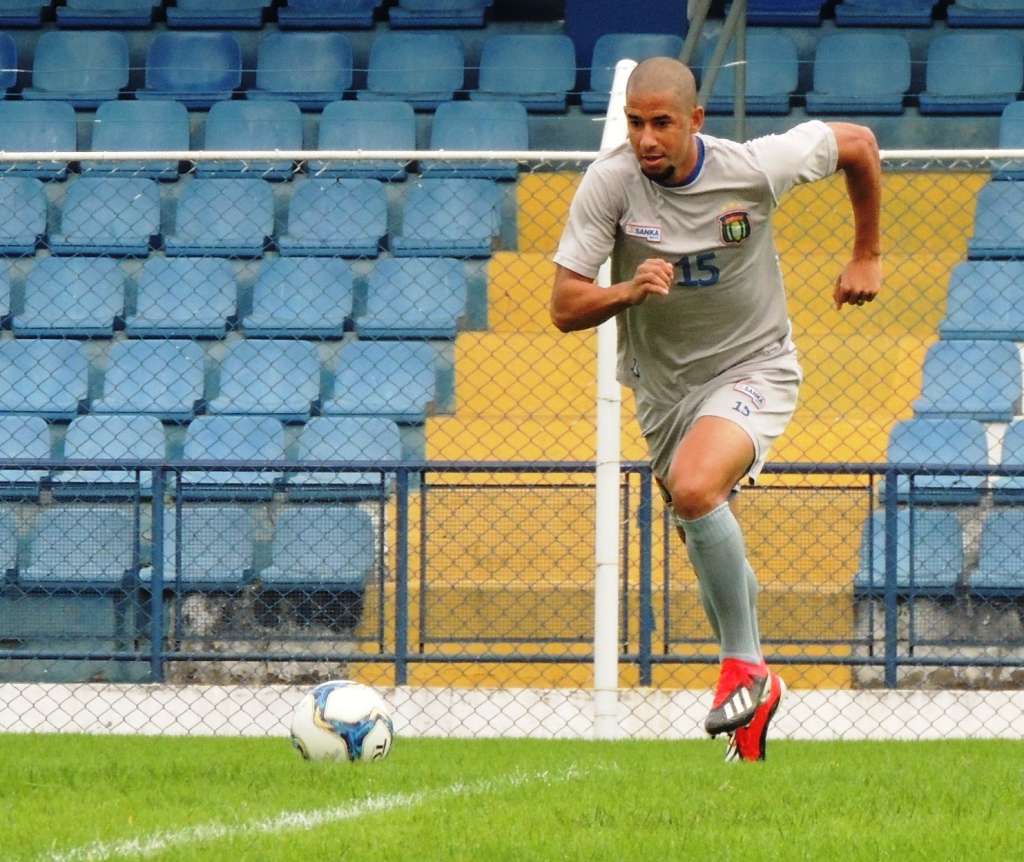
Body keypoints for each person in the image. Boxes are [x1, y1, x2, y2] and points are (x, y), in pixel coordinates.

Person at [550, 57, 881, 761]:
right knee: (697, 523)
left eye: (661, 123)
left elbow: (859, 144)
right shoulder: (610, 183)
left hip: (754, 366)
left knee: (697, 488)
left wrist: (866, 254)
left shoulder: (754, 168)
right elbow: (564, 305)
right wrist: (627, 291)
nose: (646, 138)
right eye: (635, 123)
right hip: (664, 392)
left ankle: (744, 670)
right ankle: (755, 703)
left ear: (695, 120)